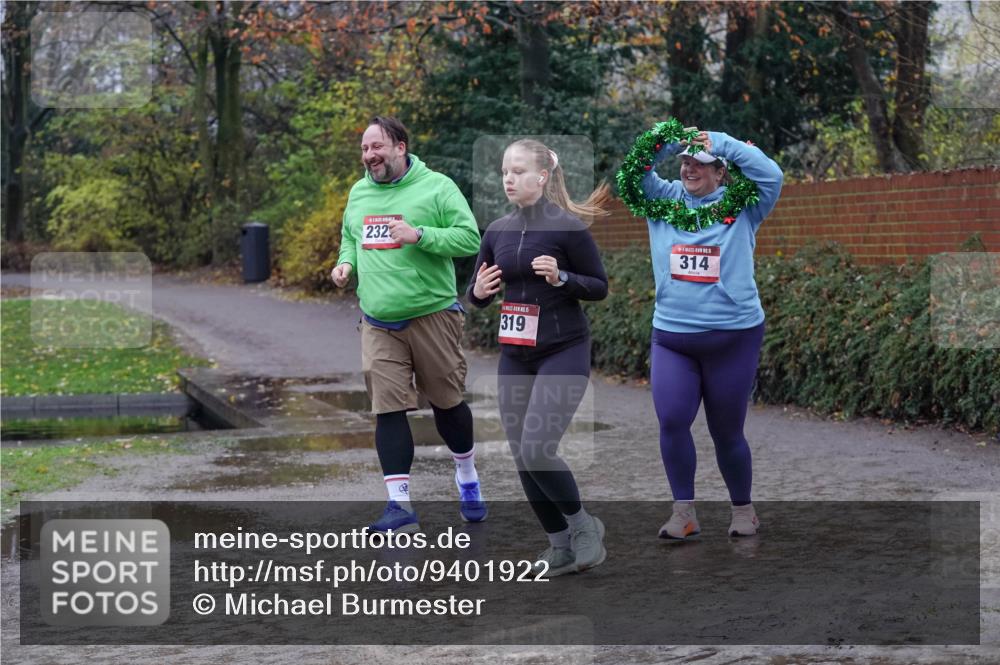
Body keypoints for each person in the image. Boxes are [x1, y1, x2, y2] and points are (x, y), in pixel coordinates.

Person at [331, 116, 486, 533]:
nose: (369, 156)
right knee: (388, 408)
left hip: (432, 314)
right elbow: (350, 235)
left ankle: (467, 477)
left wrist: (419, 235)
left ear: (400, 146)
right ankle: (399, 505)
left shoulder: (437, 187)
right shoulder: (359, 191)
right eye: (364, 149)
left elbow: (469, 238)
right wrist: (346, 262)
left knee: (447, 402)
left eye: (377, 147)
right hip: (378, 320)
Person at [468, 139, 611, 576]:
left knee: (537, 449)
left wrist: (563, 276)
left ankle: (584, 526)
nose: (508, 178)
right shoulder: (496, 231)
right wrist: (476, 293)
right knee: (521, 456)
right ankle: (559, 547)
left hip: (563, 349)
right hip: (515, 355)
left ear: (542, 177)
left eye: (517, 171)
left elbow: (599, 286)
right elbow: (476, 292)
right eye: (504, 172)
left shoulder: (568, 228)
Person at [640, 127, 783, 540]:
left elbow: (772, 175)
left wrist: (717, 141)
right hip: (673, 336)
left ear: (721, 173)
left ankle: (744, 510)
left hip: (732, 337)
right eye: (684, 162)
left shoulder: (746, 205)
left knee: (726, 431)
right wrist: (667, 137)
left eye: (699, 163)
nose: (688, 168)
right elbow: (634, 174)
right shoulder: (663, 201)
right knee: (671, 419)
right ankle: (683, 512)